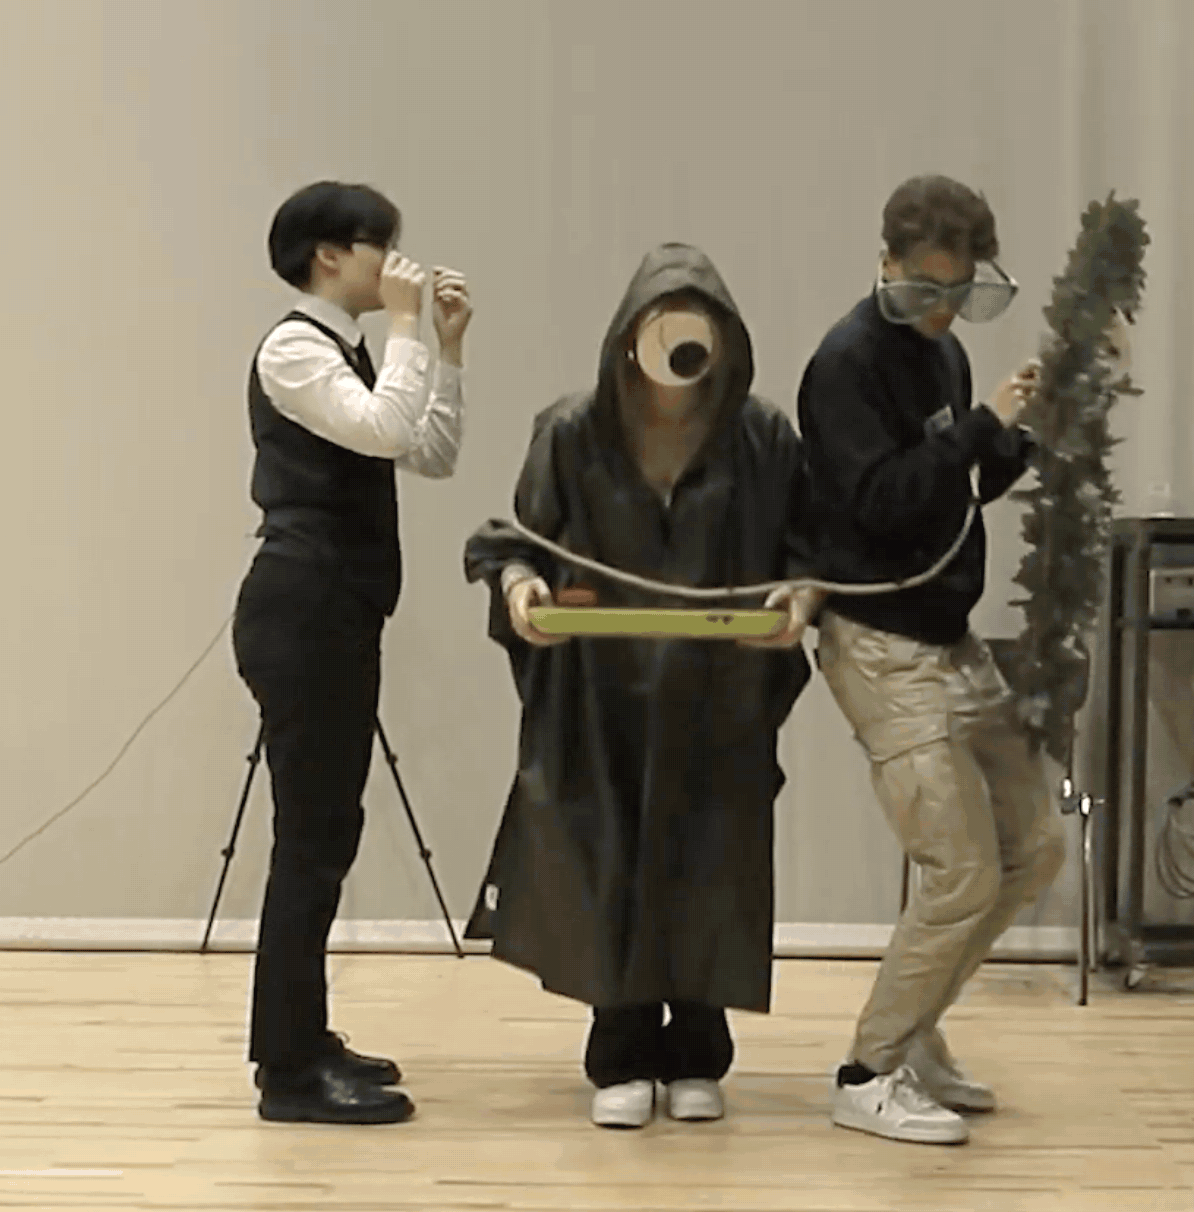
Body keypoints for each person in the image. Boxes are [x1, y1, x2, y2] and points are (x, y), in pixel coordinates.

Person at [461, 243, 821, 1131]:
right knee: (607, 859)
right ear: (628, 337)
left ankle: (698, 1051)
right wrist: (522, 590)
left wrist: (802, 595)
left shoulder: (764, 437)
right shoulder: (572, 431)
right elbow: (513, 543)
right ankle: (619, 1050)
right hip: (601, 697)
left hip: (720, 692)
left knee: (712, 864)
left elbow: (808, 546)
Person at [794, 174, 1066, 1146]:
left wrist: (1015, 440)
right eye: (924, 288)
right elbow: (880, 502)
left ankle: (914, 1033)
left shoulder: (943, 352)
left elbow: (959, 490)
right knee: (959, 869)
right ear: (887, 264)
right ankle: (867, 1071)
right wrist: (981, 429)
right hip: (879, 644)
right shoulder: (845, 365)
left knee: (1035, 844)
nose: (943, 309)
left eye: (958, 292)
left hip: (950, 638)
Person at [232, 180, 473, 1125]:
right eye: (384, 246)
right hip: (302, 612)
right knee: (309, 840)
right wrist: (409, 328)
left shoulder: (357, 351)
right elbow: (384, 428)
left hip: (338, 614)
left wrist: (443, 346)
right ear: (329, 255)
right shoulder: (293, 348)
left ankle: (302, 1036)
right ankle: (288, 1071)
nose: (397, 264)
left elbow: (430, 449)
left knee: (328, 833)